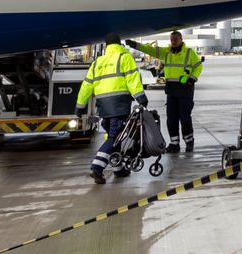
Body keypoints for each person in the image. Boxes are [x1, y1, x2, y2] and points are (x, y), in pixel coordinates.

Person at [76, 33, 148, 184]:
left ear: (107, 46)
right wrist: (140, 97)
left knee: (113, 136)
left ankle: (118, 168)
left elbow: (87, 85)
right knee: (115, 137)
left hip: (103, 106)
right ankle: (96, 167)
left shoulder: (97, 62)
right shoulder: (124, 57)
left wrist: (80, 105)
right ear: (119, 44)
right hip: (119, 104)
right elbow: (132, 79)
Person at [126, 32, 202, 153]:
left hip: (185, 89)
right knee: (171, 118)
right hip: (171, 90)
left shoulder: (189, 52)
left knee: (185, 118)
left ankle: (189, 142)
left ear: (181, 39)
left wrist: (192, 79)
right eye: (172, 39)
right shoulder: (166, 52)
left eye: (176, 39)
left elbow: (198, 66)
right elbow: (150, 49)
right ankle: (174, 143)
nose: (173, 41)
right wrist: (135, 45)